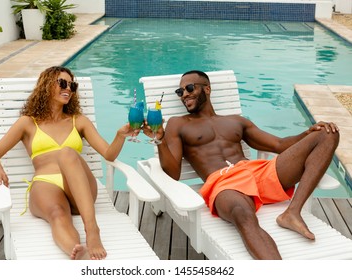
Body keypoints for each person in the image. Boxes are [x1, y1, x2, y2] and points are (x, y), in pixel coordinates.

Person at [142, 70, 339, 259]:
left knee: (328, 133)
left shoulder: (237, 121)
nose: (184, 95)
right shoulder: (178, 124)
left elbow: (279, 145)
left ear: (207, 89)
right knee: (243, 215)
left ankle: (292, 212)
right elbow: (173, 173)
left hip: (258, 172)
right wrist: (160, 140)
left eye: (190, 88)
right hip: (223, 182)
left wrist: (308, 134)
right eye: (180, 92)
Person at [0, 66, 137, 260]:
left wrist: (120, 135)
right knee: (57, 214)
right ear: (46, 86)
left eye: (72, 85)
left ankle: (92, 230)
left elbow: (108, 154)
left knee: (67, 153)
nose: (69, 89)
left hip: (80, 187)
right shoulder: (28, 123)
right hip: (46, 184)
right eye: (62, 83)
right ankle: (76, 250)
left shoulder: (78, 121)